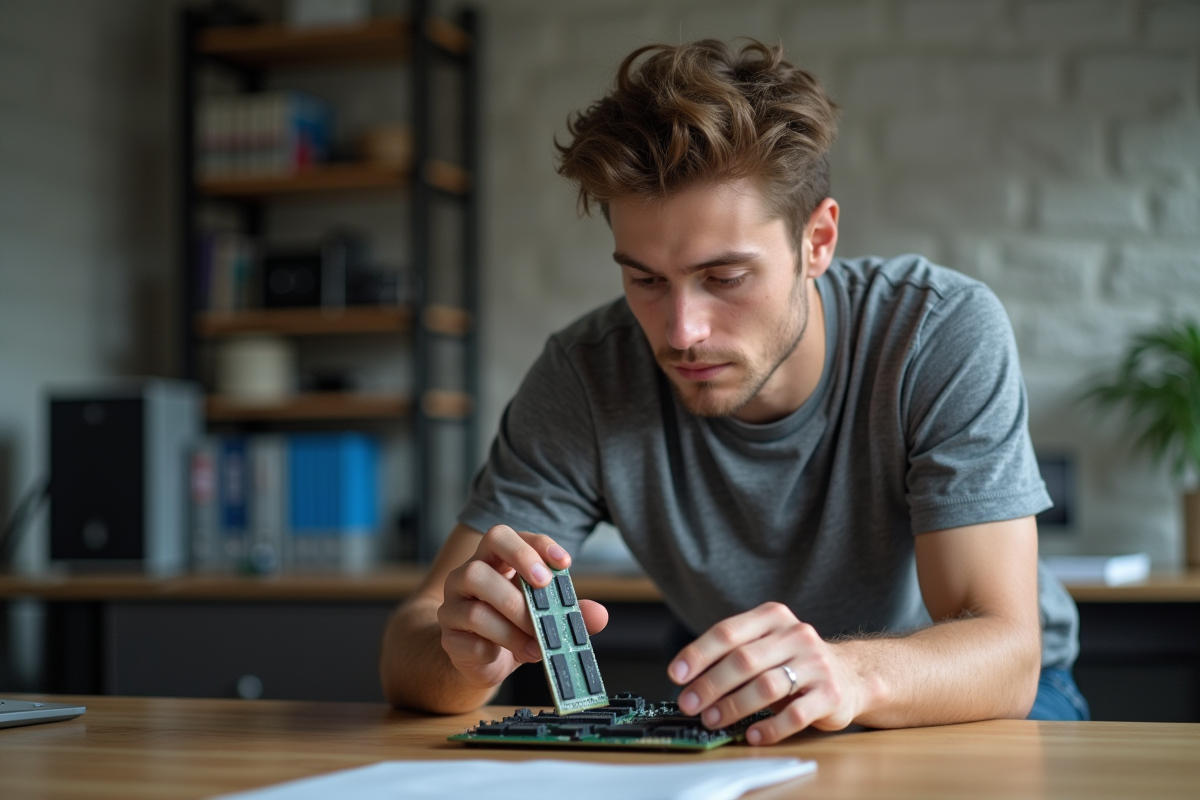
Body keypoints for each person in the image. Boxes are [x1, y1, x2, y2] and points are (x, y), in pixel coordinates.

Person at [380, 39, 1087, 743]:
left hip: (971, 701)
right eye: (646, 280)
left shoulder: (936, 330)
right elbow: (410, 644)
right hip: (742, 696)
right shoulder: (586, 375)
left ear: (818, 240)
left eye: (724, 278)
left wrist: (846, 676)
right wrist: (464, 656)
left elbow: (1007, 652)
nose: (681, 331)